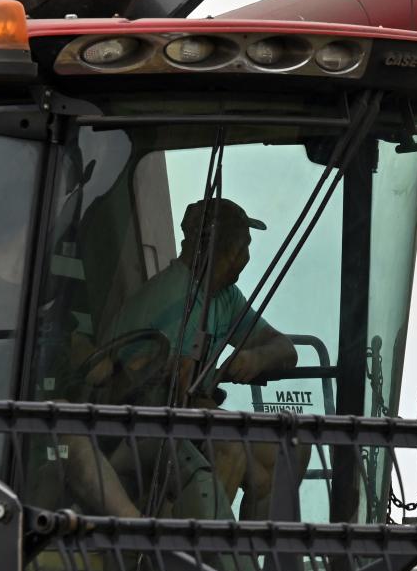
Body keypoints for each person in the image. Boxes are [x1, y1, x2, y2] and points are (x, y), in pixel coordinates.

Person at [70, 197, 299, 520]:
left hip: (181, 418)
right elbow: (176, 400)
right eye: (244, 246)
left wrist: (256, 357)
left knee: (289, 451)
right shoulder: (175, 302)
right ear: (227, 252)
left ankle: (253, 559)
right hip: (134, 427)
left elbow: (285, 348)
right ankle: (183, 561)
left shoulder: (222, 295)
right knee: (231, 451)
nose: (246, 256)